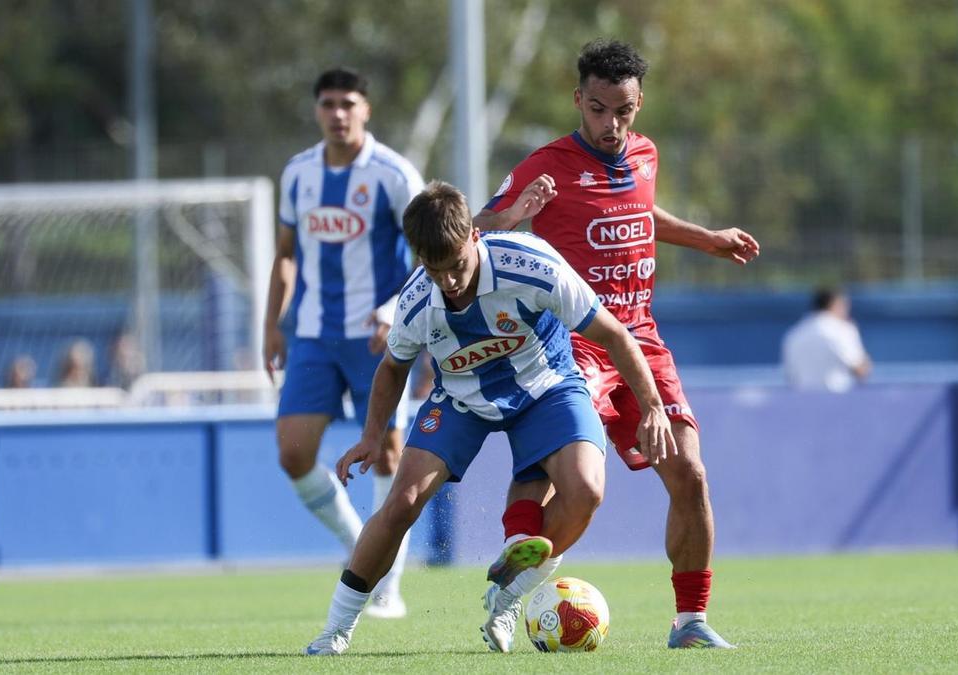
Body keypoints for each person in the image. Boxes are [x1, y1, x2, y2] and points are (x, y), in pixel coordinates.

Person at [304, 181, 675, 655]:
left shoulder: (533, 267)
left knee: (586, 489)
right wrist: (372, 435)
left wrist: (654, 408)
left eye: (456, 266)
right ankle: (336, 629)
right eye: (434, 270)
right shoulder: (417, 301)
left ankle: (509, 596)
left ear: (475, 237)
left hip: (546, 386)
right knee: (402, 502)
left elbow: (616, 336)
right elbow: (392, 367)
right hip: (461, 399)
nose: (449, 282)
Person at [472, 39, 759, 649]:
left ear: (639, 103)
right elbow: (472, 227)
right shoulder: (546, 164)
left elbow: (641, 210)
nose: (611, 124)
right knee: (570, 482)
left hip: (641, 339)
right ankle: (511, 584)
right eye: (598, 109)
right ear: (579, 100)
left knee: (691, 476)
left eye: (623, 111)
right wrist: (514, 214)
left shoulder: (646, 154)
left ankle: (691, 623)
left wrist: (707, 238)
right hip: (566, 340)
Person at [264, 67, 424, 618]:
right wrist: (270, 326)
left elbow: (431, 252)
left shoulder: (393, 174)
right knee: (292, 453)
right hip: (311, 333)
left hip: (378, 336)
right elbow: (285, 253)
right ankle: (362, 545)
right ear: (317, 110)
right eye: (328, 103)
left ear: (366, 109)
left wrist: (392, 312)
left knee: (387, 452)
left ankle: (389, 586)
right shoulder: (298, 174)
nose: (338, 114)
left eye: (348, 103)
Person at [782, 287, 872, 392]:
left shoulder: (794, 334)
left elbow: (791, 376)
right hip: (836, 402)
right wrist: (855, 336)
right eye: (844, 306)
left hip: (803, 403)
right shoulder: (842, 330)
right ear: (835, 305)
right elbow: (861, 371)